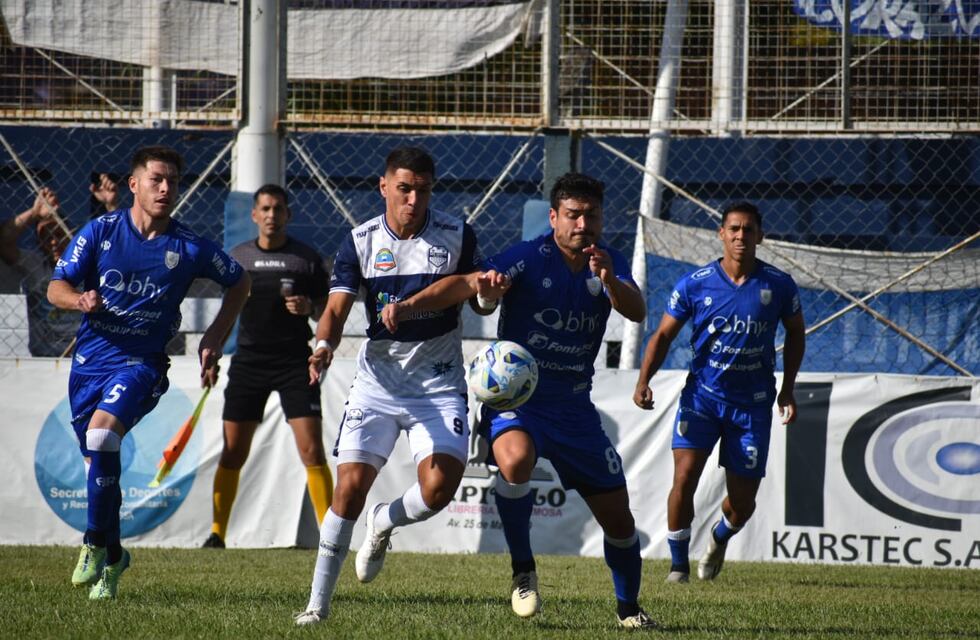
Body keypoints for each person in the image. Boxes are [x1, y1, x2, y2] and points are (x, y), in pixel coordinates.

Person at [380, 173, 657, 629]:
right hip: (519, 401)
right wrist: (423, 304)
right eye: (573, 215)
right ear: (554, 217)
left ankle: (629, 610)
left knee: (620, 522)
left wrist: (610, 279)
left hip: (575, 409)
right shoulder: (527, 257)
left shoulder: (608, 261)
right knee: (515, 461)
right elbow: (474, 289)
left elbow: (637, 310)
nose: (583, 224)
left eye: (591, 216)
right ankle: (523, 570)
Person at [48, 145, 251, 600]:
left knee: (103, 436)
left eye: (172, 181)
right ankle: (114, 557)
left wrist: (215, 335)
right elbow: (55, 286)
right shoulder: (101, 231)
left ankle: (92, 543)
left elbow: (240, 281)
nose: (165, 188)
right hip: (90, 364)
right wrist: (78, 299)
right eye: (156, 179)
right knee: (98, 462)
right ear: (134, 184)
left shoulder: (189, 246)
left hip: (142, 363)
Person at [294, 147, 481, 627]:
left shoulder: (457, 235)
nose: (413, 199)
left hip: (438, 384)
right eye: (404, 189)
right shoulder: (360, 241)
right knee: (349, 489)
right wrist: (323, 346)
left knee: (438, 490)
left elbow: (474, 292)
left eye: (423, 190)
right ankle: (316, 606)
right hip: (377, 385)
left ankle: (384, 521)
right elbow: (336, 309)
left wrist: (486, 293)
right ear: (383, 187)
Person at [632, 201, 805, 584]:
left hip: (752, 406)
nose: (741, 236)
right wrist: (643, 380)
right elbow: (663, 335)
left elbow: (796, 332)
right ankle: (678, 567)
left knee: (742, 504)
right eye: (734, 229)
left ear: (760, 236)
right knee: (684, 477)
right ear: (721, 234)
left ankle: (719, 538)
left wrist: (787, 390)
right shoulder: (694, 284)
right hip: (702, 399)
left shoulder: (778, 284)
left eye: (748, 230)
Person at [202, 183, 332, 549]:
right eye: (265, 209)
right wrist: (213, 354)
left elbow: (328, 312)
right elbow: (226, 314)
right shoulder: (238, 258)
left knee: (312, 450)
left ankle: (330, 537)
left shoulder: (306, 259)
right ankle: (217, 534)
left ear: (288, 215)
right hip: (249, 364)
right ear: (254, 215)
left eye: (278, 209)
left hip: (295, 364)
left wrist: (310, 309)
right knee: (233, 451)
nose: (271, 215)